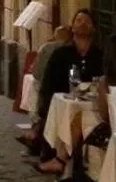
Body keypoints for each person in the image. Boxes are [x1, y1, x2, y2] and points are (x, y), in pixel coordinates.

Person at [35, 31, 116, 176]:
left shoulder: (108, 82)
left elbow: (105, 115)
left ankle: (64, 165)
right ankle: (66, 168)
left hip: (114, 134)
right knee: (79, 120)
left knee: (77, 120)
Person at [29, 9, 104, 164]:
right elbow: (47, 85)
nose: (83, 24)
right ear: (72, 27)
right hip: (63, 103)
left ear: (94, 28)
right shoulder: (60, 54)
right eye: (79, 21)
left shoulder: (100, 55)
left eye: (87, 21)